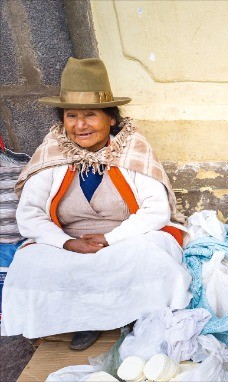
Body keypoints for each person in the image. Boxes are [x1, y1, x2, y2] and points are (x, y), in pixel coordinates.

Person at [1, 58, 191, 350]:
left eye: (90, 115)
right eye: (71, 116)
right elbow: (29, 215)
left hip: (127, 239)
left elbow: (156, 210)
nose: (80, 125)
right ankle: (84, 321)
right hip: (70, 242)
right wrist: (66, 243)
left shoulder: (132, 148)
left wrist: (109, 238)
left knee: (149, 257)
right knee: (28, 263)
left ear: (111, 118)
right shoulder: (52, 153)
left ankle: (134, 317)